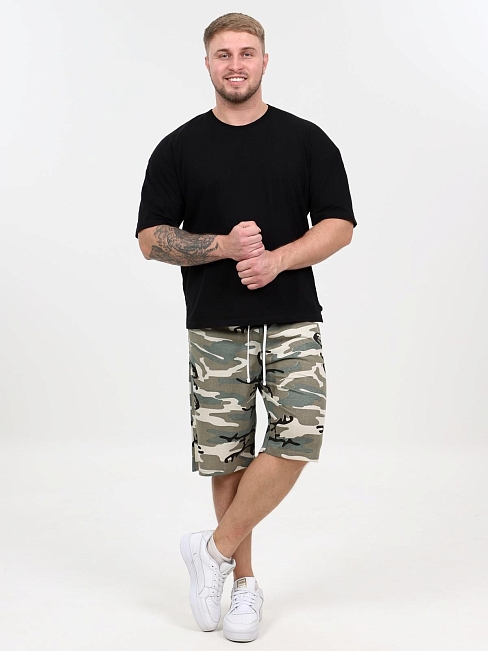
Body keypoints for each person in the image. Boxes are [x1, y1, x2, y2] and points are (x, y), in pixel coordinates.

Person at [136, 12, 356, 643]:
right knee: (227, 458)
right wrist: (224, 246)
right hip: (215, 327)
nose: (236, 65)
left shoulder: (307, 140)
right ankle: (243, 585)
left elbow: (339, 225)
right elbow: (151, 239)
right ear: (208, 63)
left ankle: (212, 549)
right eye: (223, 54)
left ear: (265, 60)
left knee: (298, 437)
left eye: (247, 52)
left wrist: (276, 260)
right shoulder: (178, 147)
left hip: (291, 320)